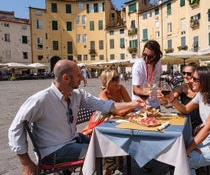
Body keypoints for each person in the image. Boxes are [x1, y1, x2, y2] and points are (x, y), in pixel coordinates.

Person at [8, 59, 145, 175]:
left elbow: (108, 106)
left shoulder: (77, 95)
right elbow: (15, 128)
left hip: (72, 140)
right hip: (53, 151)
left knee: (110, 144)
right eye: (79, 75)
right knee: (105, 153)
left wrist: (133, 104)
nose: (83, 78)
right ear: (66, 78)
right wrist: (26, 162)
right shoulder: (42, 99)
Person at [158, 66, 210, 175]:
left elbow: (208, 128)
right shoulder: (201, 95)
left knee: (185, 160)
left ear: (206, 81)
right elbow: (186, 109)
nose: (191, 81)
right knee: (179, 147)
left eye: (195, 79)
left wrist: (189, 149)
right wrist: (172, 100)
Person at [160, 62, 202, 134]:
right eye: (184, 73)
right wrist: (163, 101)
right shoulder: (181, 88)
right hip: (186, 124)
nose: (185, 76)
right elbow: (169, 103)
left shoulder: (201, 91)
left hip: (200, 125)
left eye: (189, 74)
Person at [132, 40, 163, 109]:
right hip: (139, 106)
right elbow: (135, 89)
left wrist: (161, 92)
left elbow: (159, 80)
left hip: (155, 105)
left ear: (156, 55)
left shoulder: (158, 63)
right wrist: (145, 93)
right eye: (144, 55)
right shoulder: (138, 65)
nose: (146, 59)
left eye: (150, 56)